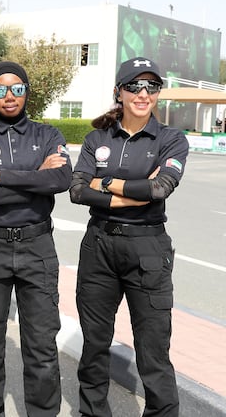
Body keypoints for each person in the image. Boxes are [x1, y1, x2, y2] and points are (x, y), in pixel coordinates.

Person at [69, 57, 188, 417]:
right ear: (119, 92)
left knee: (153, 351)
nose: (143, 93)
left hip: (147, 248)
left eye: (152, 86)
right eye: (135, 85)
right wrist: (132, 192)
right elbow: (76, 190)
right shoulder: (96, 139)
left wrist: (105, 183)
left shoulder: (171, 139)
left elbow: (159, 188)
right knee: (94, 346)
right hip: (99, 247)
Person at [0, 61, 71, 417]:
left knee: (40, 345)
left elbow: (61, 180)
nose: (9, 97)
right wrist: (33, 178)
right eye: (1, 90)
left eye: (17, 89)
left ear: (27, 92)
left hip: (37, 248)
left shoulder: (47, 135)